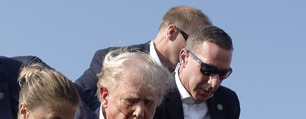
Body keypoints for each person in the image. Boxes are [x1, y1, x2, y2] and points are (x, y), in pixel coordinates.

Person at [74, 5, 211, 92]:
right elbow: (76, 97)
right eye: (193, 42)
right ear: (172, 32)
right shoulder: (112, 58)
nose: (197, 52)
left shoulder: (190, 84)